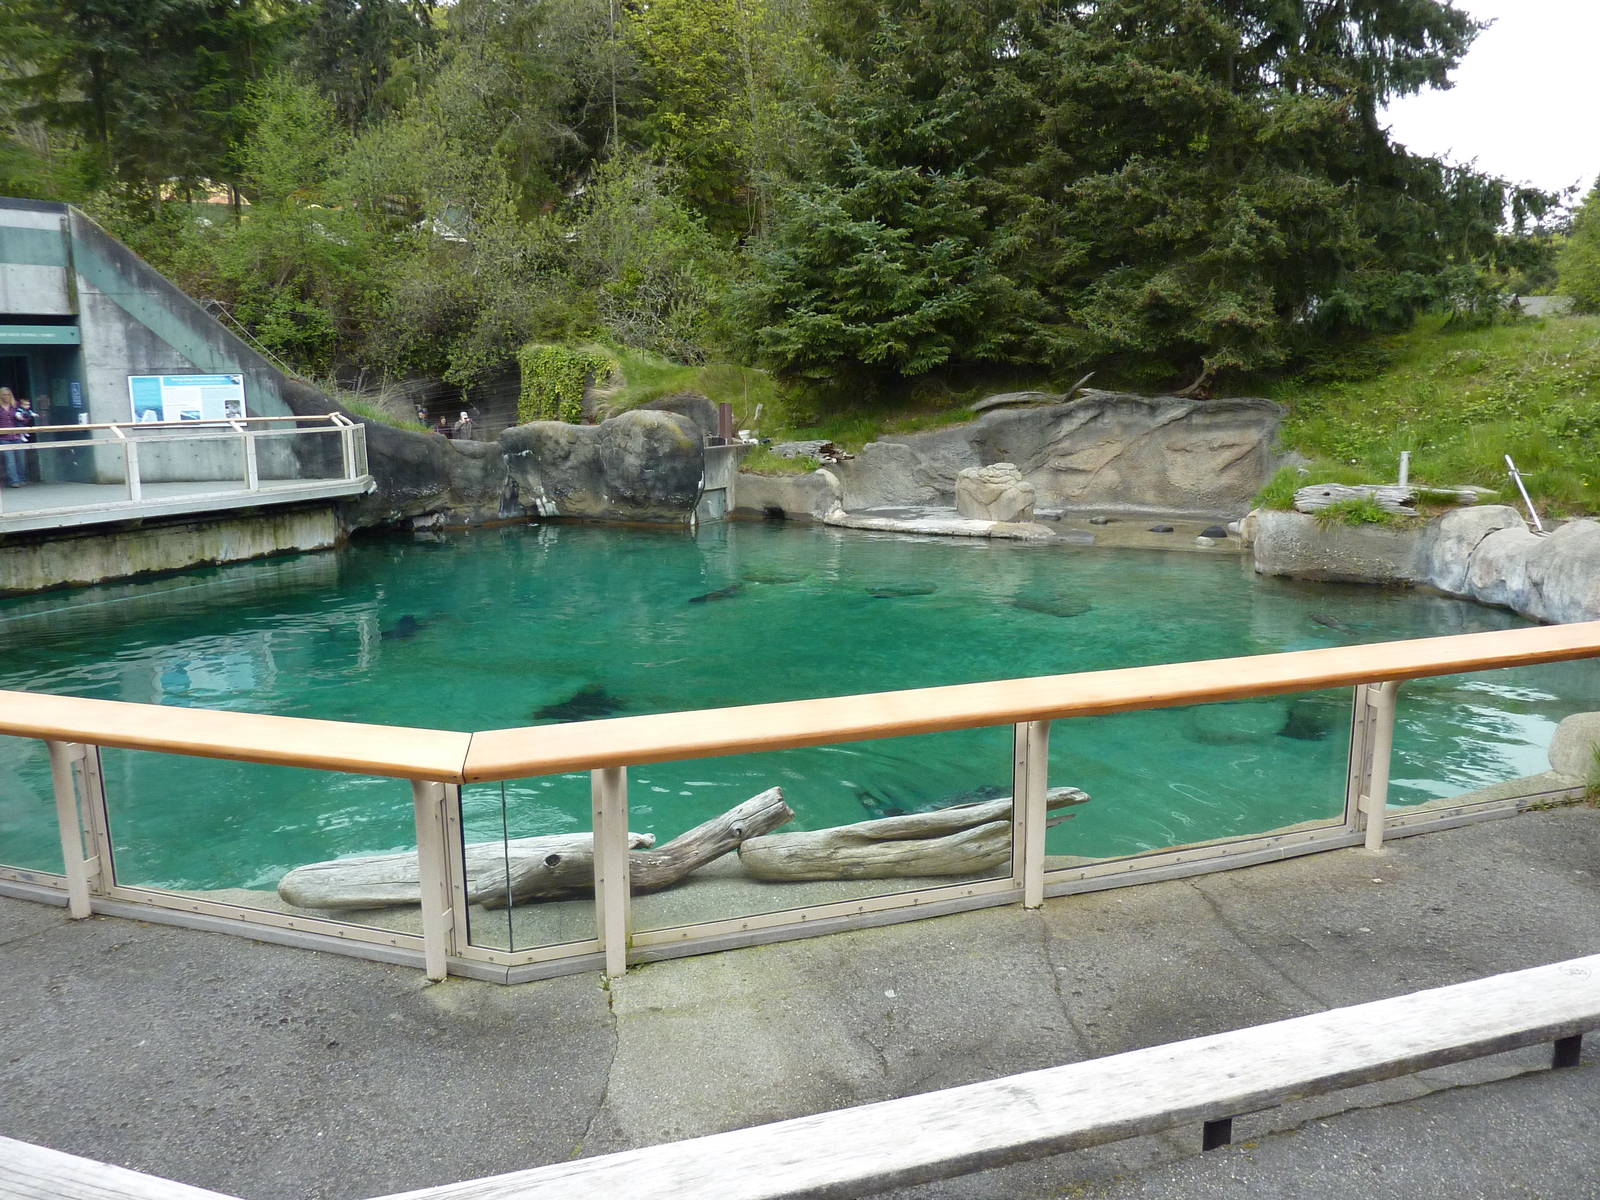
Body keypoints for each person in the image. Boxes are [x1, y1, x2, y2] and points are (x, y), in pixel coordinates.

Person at [0, 388, 26, 488]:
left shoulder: (15, 406)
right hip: (3, 437)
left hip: (17, 436)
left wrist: (23, 417)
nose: (7, 397)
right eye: (4, 395)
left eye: (8, 395)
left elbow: (25, 418)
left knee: (21, 459)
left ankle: (22, 478)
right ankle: (14, 481)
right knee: (10, 460)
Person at [14, 396, 38, 481]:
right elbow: (17, 414)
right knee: (21, 428)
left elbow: (31, 413)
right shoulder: (20, 410)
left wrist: (35, 415)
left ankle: (24, 434)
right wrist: (19, 417)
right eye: (26, 404)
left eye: (28, 404)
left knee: (24, 428)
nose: (27, 406)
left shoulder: (28, 410)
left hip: (24, 423)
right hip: (19, 424)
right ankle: (23, 435)